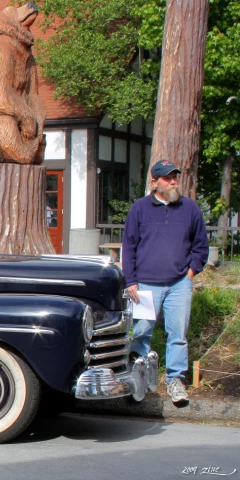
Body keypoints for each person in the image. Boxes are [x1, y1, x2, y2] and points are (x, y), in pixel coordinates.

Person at [122, 159, 209, 405]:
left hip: (179, 284)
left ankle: (175, 380)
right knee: (141, 332)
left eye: (175, 177)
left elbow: (201, 246)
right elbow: (128, 246)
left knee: (178, 335)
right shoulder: (139, 209)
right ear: (154, 182)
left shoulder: (190, 209)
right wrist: (131, 281)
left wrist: (190, 272)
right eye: (167, 178)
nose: (173, 181)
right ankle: (137, 380)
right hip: (146, 285)